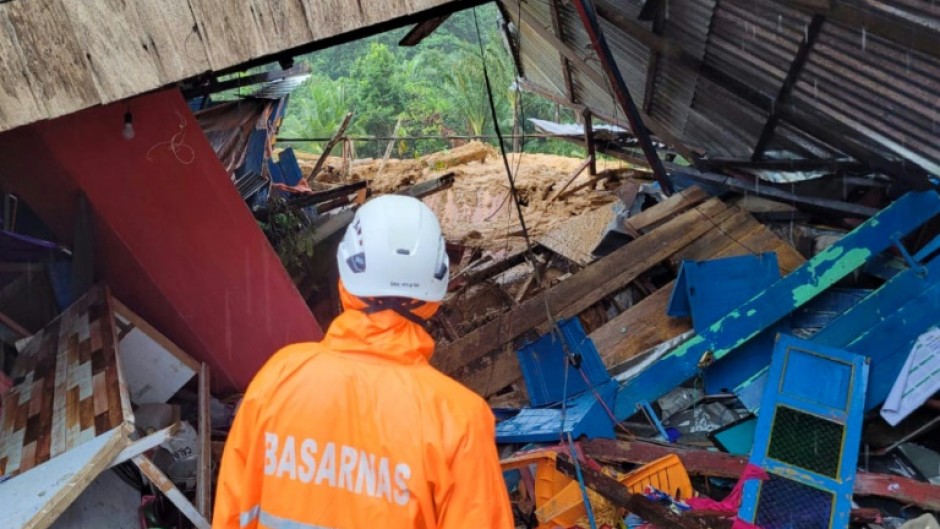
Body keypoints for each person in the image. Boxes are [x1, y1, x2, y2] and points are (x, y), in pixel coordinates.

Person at [213, 194, 513, 529]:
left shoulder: (277, 380)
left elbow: (231, 513)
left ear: (345, 279)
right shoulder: (459, 420)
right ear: (436, 293)